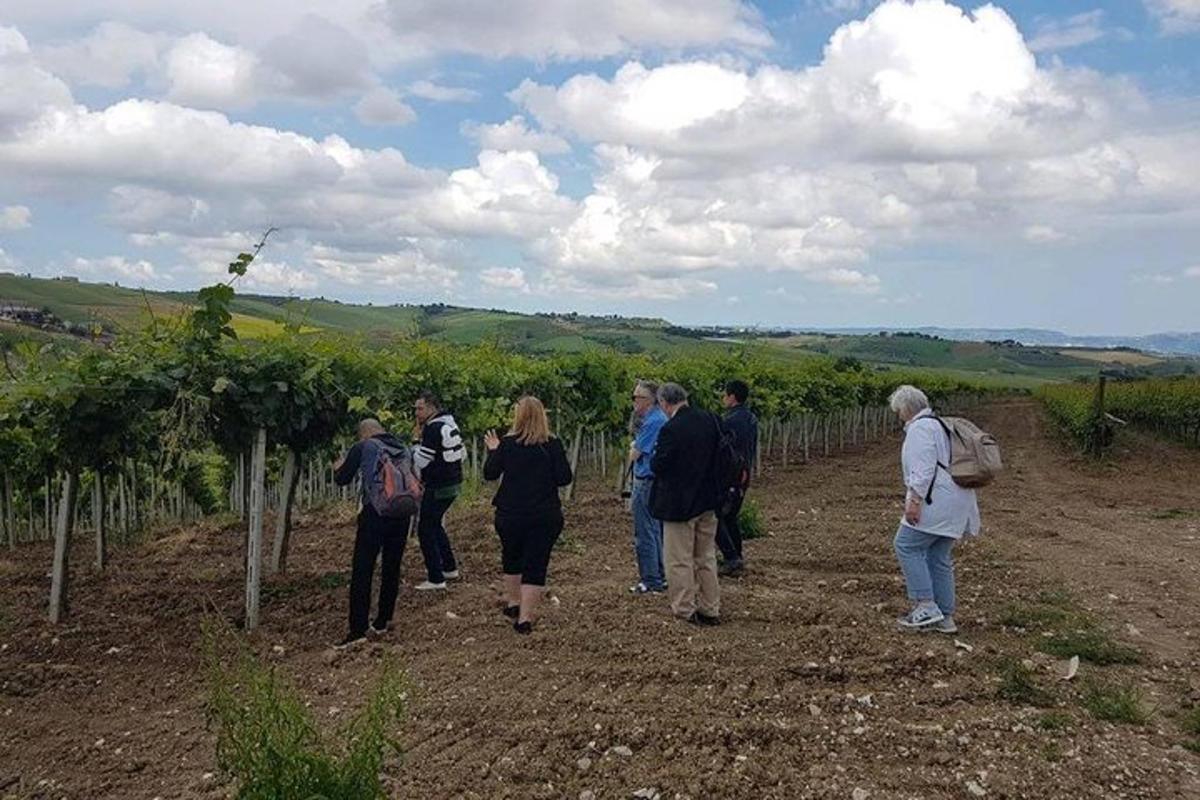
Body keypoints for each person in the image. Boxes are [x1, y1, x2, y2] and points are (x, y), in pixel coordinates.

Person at [888, 384, 981, 634]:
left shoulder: (920, 429)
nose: (898, 416)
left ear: (905, 409)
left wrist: (914, 502)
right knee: (938, 556)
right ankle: (945, 617)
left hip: (936, 502)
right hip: (957, 501)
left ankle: (926, 605)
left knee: (906, 545)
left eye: (898, 411)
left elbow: (923, 469)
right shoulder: (940, 424)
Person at [483, 396, 574, 634]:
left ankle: (514, 602)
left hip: (510, 513)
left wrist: (494, 451)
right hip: (544, 514)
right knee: (536, 564)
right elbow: (565, 478)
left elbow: (490, 473)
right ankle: (524, 619)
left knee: (511, 557)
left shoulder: (508, 444)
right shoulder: (552, 444)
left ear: (518, 416)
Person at [332, 419, 412, 648]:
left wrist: (338, 465)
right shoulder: (402, 447)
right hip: (402, 511)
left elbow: (342, 479)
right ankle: (383, 620)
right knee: (392, 566)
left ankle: (358, 629)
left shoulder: (364, 447)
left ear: (364, 434)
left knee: (363, 569)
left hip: (375, 513)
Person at [649, 383, 722, 626]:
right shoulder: (711, 420)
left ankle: (684, 609)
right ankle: (710, 608)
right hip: (708, 500)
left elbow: (659, 465)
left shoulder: (672, 429)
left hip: (679, 504)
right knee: (706, 556)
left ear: (665, 403)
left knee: (679, 558)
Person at [412, 390, 463, 590]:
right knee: (434, 524)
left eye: (420, 408)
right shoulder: (450, 423)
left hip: (439, 486)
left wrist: (415, 444)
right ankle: (449, 567)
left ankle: (435, 577)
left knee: (425, 528)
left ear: (432, 407)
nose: (416, 412)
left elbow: (421, 461)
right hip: (453, 482)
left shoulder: (432, 429)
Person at [628, 379, 668, 594]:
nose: (634, 401)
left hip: (646, 481)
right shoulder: (657, 419)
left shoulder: (653, 422)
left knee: (645, 531)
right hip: (653, 481)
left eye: (638, 397)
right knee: (654, 530)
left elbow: (635, 454)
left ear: (649, 400)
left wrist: (634, 446)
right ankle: (659, 575)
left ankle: (651, 579)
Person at [716, 379, 758, 577]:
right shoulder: (750, 417)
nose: (723, 399)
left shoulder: (731, 421)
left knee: (718, 516)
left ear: (732, 397)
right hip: (744, 473)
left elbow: (725, 450)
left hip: (732, 476)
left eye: (725, 395)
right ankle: (736, 557)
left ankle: (731, 557)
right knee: (731, 517)